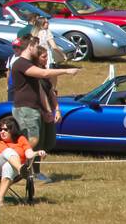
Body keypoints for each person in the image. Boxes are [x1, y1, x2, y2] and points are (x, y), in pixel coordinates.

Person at [10, 38, 79, 183]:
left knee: (39, 143)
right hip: (25, 109)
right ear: (29, 47)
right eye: (35, 46)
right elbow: (43, 74)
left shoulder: (28, 64)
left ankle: (32, 172)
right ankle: (12, 164)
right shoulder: (20, 63)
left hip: (34, 109)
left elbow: (42, 91)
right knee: (32, 141)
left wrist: (48, 110)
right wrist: (66, 70)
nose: (38, 48)